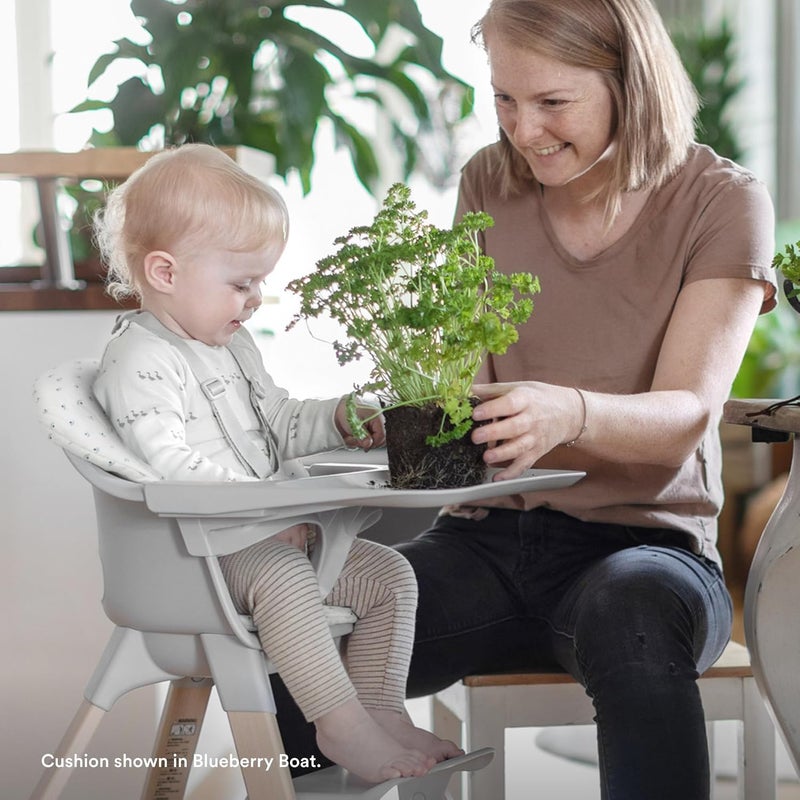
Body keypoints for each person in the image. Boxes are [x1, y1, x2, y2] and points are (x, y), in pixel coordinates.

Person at [389, 1, 778, 799]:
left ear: (630, 83)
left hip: (648, 551)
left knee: (631, 614)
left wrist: (572, 412)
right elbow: (463, 392)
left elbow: (685, 420)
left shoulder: (721, 202)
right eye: (504, 98)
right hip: (487, 543)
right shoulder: (487, 182)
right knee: (320, 631)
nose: (524, 131)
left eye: (552, 102)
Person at [91, 143, 461, 784]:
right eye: (241, 283)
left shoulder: (231, 351)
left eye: (258, 282)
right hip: (187, 556)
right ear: (165, 273)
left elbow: (281, 423)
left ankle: (380, 712)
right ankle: (339, 725)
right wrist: (261, 519)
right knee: (286, 575)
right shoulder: (141, 360)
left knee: (390, 577)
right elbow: (167, 466)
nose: (256, 298)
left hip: (252, 543)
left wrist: (342, 417)